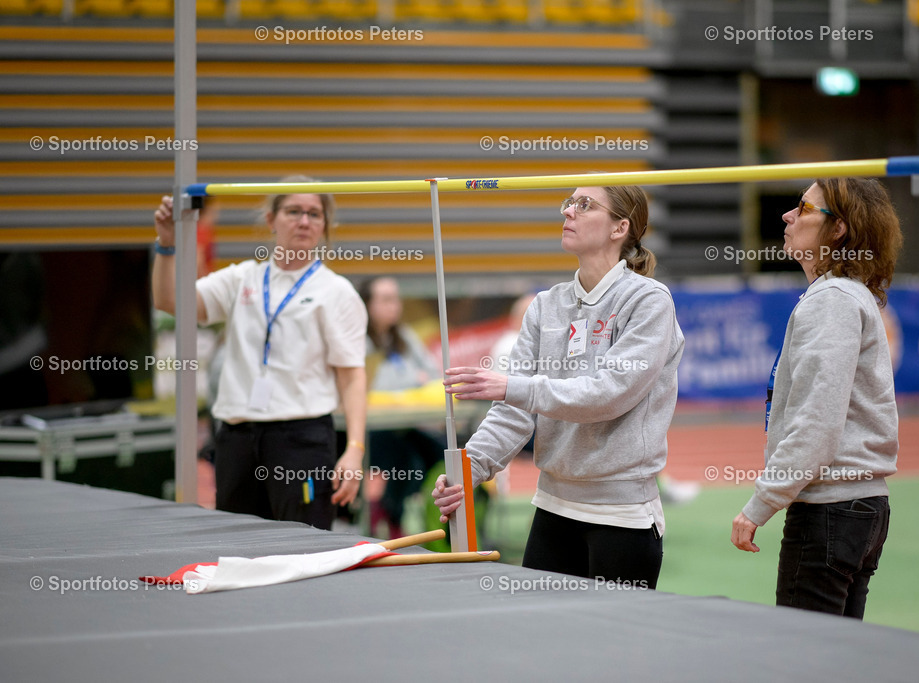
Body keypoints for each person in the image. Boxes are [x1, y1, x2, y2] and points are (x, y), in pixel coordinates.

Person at [433, 185, 684, 589]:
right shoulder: (545, 306)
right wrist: (470, 468)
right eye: (569, 203)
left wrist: (513, 386)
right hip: (551, 511)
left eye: (585, 205)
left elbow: (609, 394)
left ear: (621, 227)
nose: (569, 212)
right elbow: (514, 412)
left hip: (621, 519)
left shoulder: (649, 301)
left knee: (614, 649)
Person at [151, 177, 368, 530]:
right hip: (237, 438)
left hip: (302, 442)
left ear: (325, 224)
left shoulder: (336, 292)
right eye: (293, 211)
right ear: (270, 219)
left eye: (314, 213)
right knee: (238, 551)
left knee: (303, 551)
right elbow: (169, 301)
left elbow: (352, 375)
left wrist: (355, 448)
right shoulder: (241, 279)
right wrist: (167, 244)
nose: (304, 221)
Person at [730, 177, 903, 619]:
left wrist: (759, 505)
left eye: (804, 209)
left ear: (838, 228)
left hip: (831, 510)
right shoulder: (846, 296)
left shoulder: (832, 301)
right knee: (837, 659)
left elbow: (818, 423)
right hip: (856, 509)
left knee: (805, 660)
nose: (788, 216)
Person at [360, 276, 444, 538]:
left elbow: (432, 375)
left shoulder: (405, 337)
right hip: (369, 431)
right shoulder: (357, 340)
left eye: (395, 299)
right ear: (367, 305)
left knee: (441, 453)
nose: (393, 306)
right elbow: (372, 386)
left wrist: (407, 384)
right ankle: (386, 513)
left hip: (406, 425)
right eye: (385, 300)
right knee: (409, 462)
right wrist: (411, 381)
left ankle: (433, 522)